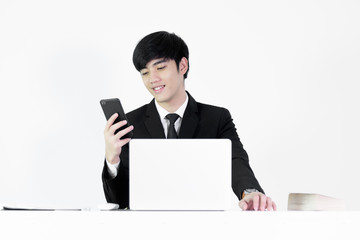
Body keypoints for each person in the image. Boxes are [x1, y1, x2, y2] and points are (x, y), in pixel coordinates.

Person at [102, 31, 276, 211]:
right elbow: (118, 202)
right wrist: (112, 159)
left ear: (182, 66)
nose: (152, 79)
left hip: (204, 223)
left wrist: (250, 192)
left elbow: (236, 160)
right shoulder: (130, 123)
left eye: (160, 68)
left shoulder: (216, 118)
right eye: (144, 72)